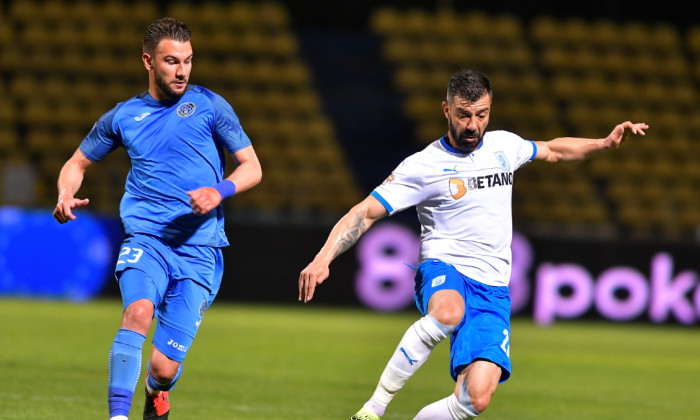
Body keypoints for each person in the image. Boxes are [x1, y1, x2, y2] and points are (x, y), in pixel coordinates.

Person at [298, 69, 647, 420]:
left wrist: (603, 144)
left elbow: (553, 150)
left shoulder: (504, 146)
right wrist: (323, 258)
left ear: (490, 109)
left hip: (493, 288)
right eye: (463, 114)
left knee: (475, 398)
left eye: (481, 115)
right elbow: (365, 212)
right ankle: (372, 410)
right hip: (445, 268)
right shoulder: (424, 165)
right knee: (449, 313)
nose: (472, 124)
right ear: (446, 110)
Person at [53, 17, 262, 420]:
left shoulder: (210, 106)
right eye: (171, 61)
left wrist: (220, 190)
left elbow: (252, 167)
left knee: (164, 369)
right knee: (138, 312)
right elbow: (76, 163)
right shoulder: (122, 117)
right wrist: (65, 193)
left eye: (187, 60)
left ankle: (156, 392)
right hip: (146, 240)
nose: (182, 70)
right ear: (148, 61)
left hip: (201, 251)